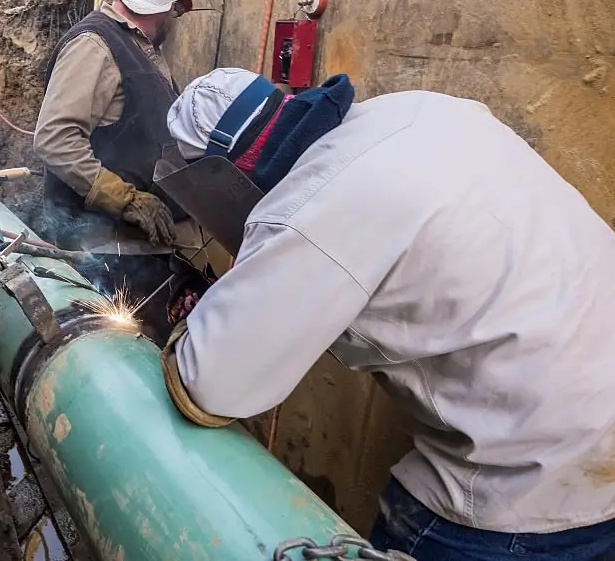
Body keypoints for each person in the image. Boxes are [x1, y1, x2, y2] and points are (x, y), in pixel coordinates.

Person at [156, 68, 615, 560]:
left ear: (220, 173)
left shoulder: (308, 205)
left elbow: (209, 384)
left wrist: (191, 322)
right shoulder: (415, 109)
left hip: (528, 485)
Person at [34, 0, 206, 340]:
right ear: (166, 3)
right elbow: (55, 138)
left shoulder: (138, 47)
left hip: (139, 248)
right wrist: (125, 198)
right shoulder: (96, 45)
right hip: (105, 251)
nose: (172, 22)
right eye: (175, 12)